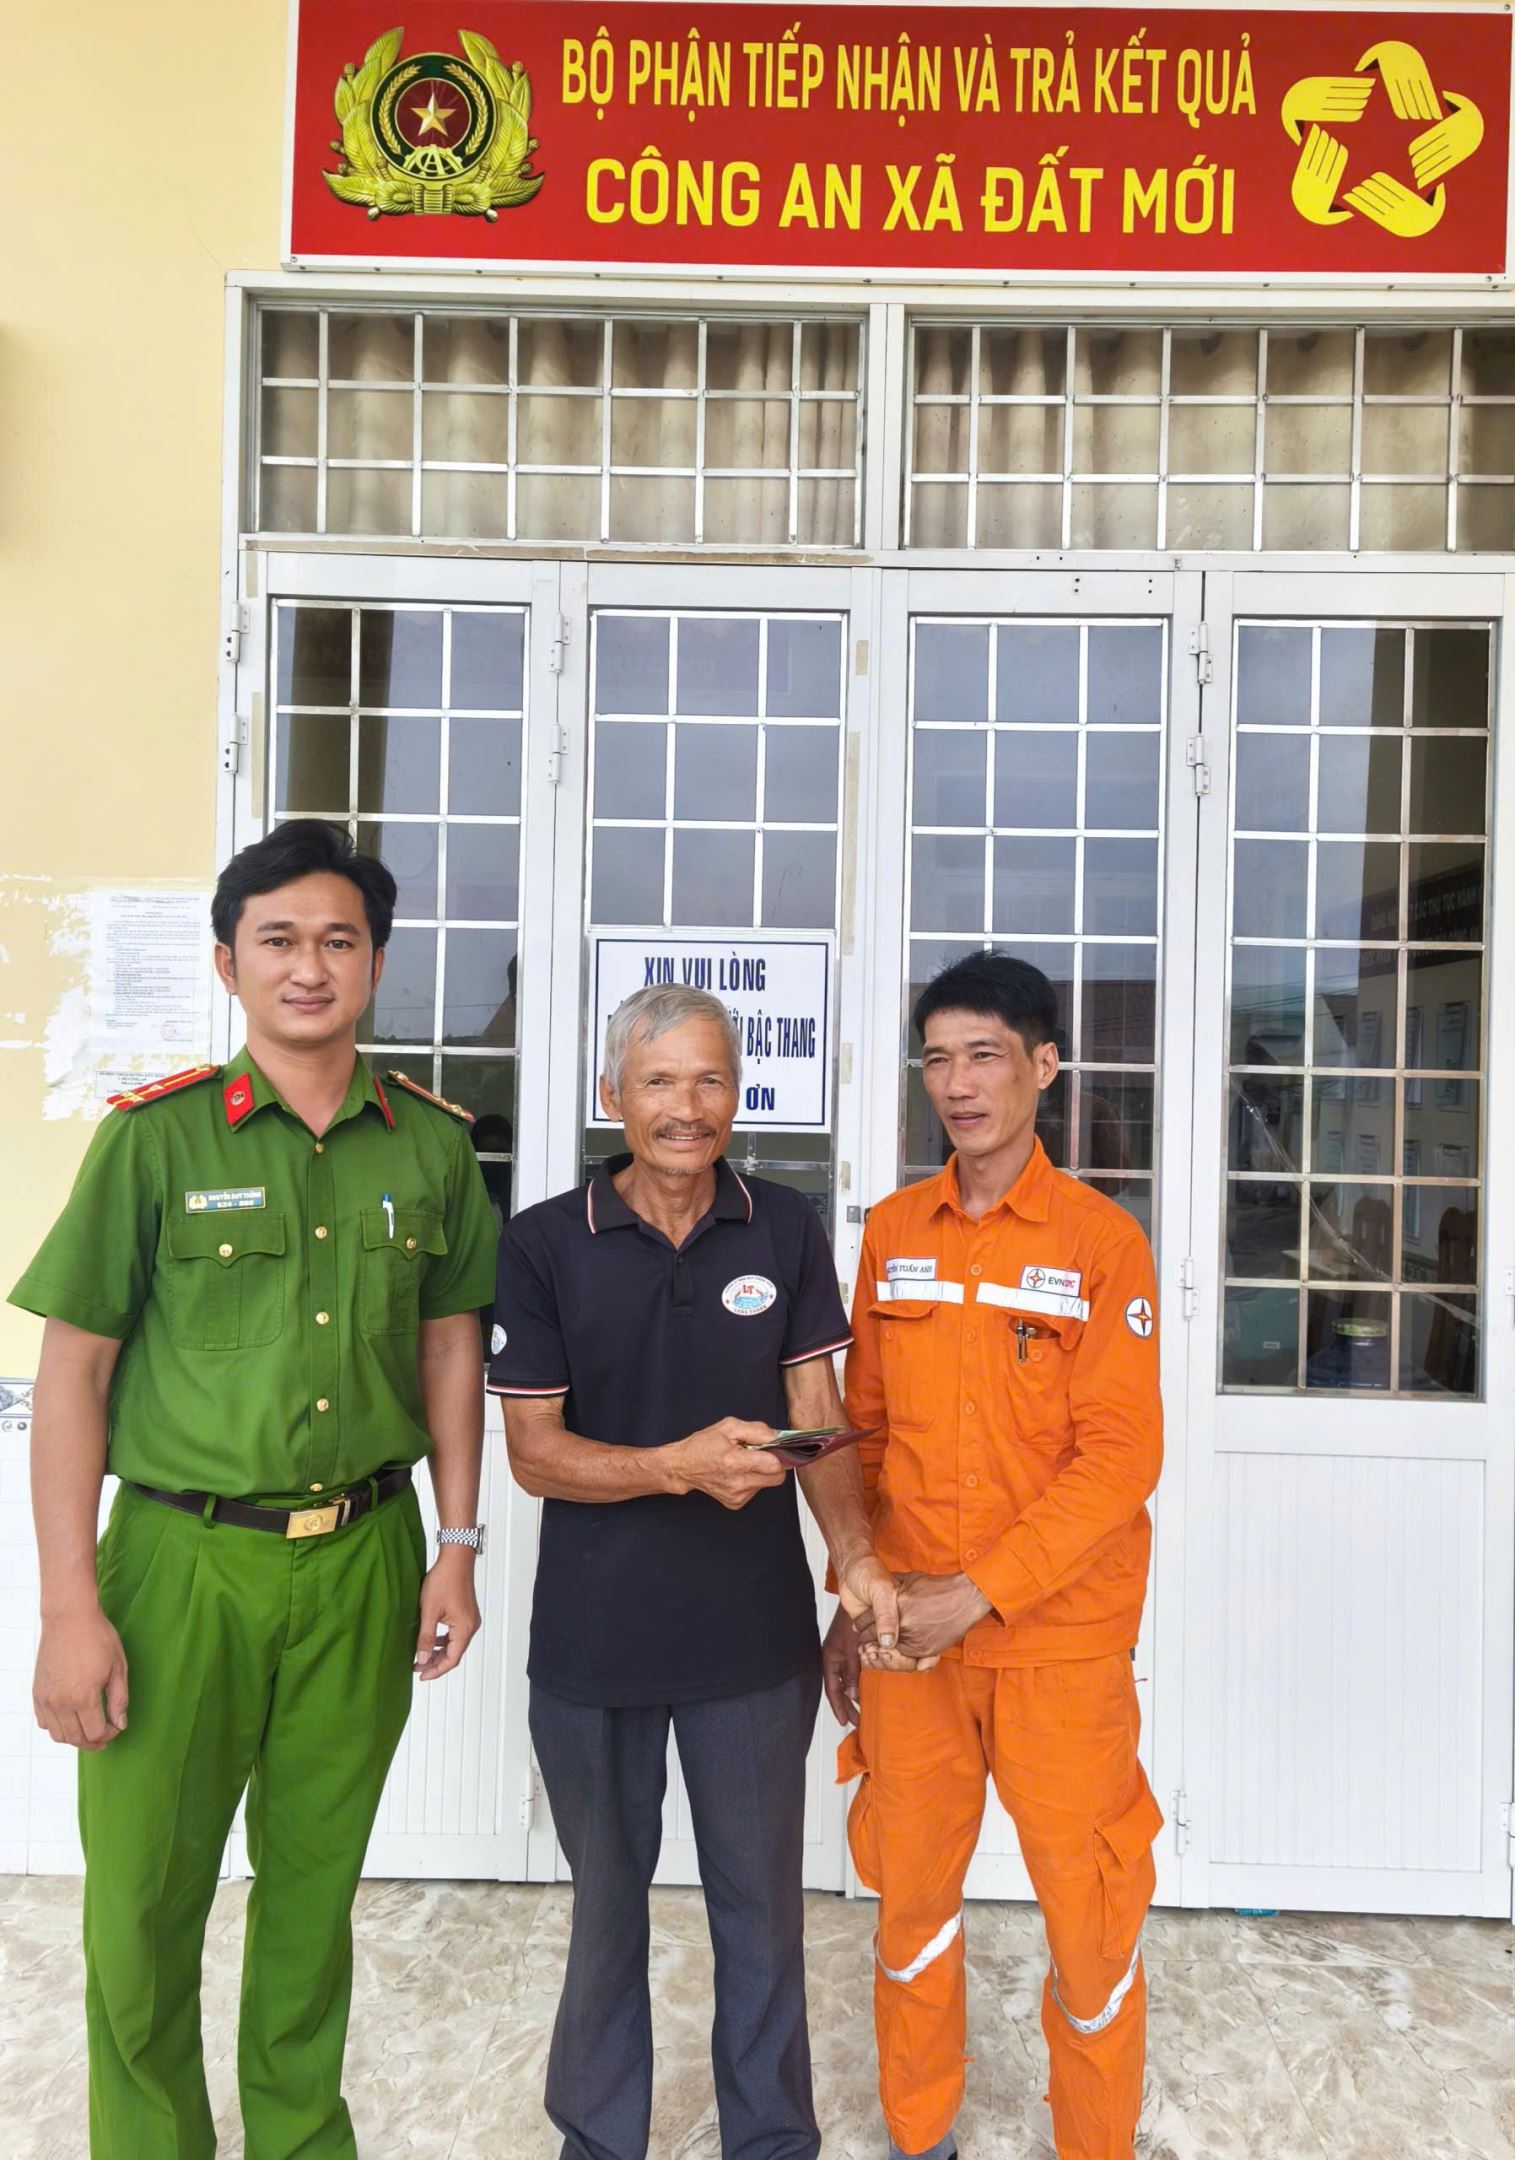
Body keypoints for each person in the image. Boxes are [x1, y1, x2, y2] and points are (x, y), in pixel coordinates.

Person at [10, 819, 498, 2158]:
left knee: (312, 1896)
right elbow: (73, 1374)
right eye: (278, 940)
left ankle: (298, 2141)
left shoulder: (429, 1148)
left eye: (339, 940)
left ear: (377, 963)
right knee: (142, 1904)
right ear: (229, 963)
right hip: (180, 1565)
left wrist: (456, 1545)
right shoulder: (154, 1141)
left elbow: (450, 1349)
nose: (309, 966)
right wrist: (68, 1608)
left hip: (365, 1555)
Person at [494, 983, 898, 2160]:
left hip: (752, 1644)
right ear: (612, 1094)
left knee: (761, 1912)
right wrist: (677, 1466)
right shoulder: (544, 1241)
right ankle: (598, 2141)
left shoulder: (784, 1226)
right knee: (605, 1912)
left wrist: (855, 1555)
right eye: (660, 1081)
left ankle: (771, 2142)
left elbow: (817, 1410)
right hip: (594, 1643)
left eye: (711, 1079)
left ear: (739, 1093)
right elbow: (535, 1454)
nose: (688, 1107)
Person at [825, 952, 1164, 2160]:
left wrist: (982, 1593)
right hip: (908, 1637)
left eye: (983, 1056)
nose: (958, 1084)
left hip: (1057, 1648)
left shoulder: (1100, 1244)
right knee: (910, 1903)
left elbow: (1119, 1461)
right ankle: (921, 2135)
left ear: (1044, 1066)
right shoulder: (893, 1232)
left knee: (1090, 1916)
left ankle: (1095, 2143)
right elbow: (864, 1433)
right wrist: (850, 1599)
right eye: (937, 1060)